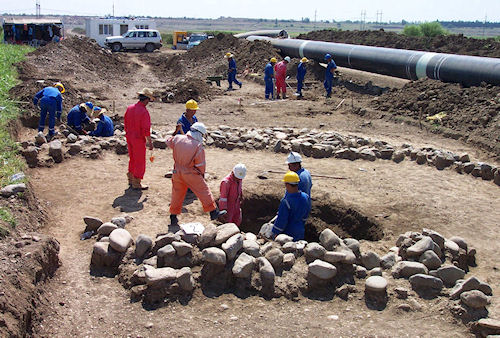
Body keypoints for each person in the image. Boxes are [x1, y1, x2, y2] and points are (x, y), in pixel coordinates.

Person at [166, 122, 226, 225]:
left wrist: (176, 131)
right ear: (199, 134)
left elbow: (168, 141)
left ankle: (173, 217)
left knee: (177, 194)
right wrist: (201, 175)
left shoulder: (178, 138)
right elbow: (200, 164)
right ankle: (213, 212)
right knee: (203, 191)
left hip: (176, 171)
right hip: (190, 173)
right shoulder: (198, 146)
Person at [124, 88, 154, 190]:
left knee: (132, 158)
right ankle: (136, 182)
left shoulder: (130, 108)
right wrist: (150, 142)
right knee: (140, 161)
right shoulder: (144, 112)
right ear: (146, 100)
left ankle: (131, 179)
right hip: (138, 139)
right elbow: (146, 129)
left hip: (129, 137)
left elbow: (126, 124)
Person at [271, 171, 311, 241]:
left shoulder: (286, 201)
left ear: (288, 185)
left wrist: (275, 232)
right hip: (300, 230)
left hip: (288, 232)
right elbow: (306, 212)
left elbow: (282, 220)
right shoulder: (306, 197)